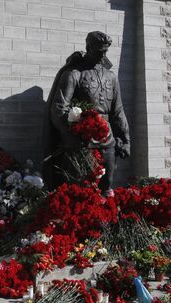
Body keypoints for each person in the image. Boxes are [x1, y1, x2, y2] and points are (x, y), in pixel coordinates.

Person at [44, 31, 130, 193]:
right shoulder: (74, 74)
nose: (102, 55)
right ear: (88, 47)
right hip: (82, 142)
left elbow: (118, 110)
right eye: (99, 51)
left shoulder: (111, 76)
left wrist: (125, 140)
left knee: (107, 183)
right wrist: (71, 136)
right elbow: (59, 108)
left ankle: (106, 217)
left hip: (107, 139)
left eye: (105, 51)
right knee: (80, 188)